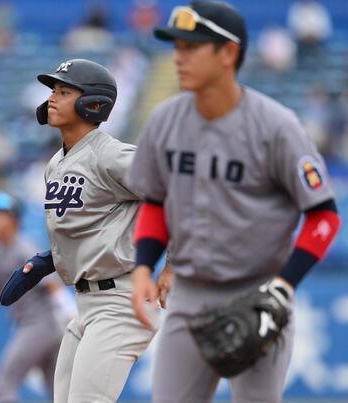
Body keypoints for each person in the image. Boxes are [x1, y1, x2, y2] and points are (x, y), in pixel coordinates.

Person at [125, 2, 341, 403]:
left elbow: (324, 216)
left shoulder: (276, 126)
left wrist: (284, 284)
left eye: (192, 47)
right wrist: (142, 267)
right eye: (177, 47)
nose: (179, 56)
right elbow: (155, 201)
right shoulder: (164, 120)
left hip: (256, 294)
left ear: (228, 53)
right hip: (187, 293)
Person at [0, 58, 160, 403]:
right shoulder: (56, 164)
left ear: (93, 103)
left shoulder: (111, 155)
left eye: (64, 91)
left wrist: (173, 265)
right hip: (85, 304)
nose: (52, 98)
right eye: (53, 91)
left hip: (121, 300)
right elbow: (92, 228)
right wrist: (46, 261)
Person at [0, 191, 66, 403]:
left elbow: (52, 285)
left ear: (14, 219)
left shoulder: (23, 247)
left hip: (40, 325)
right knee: (57, 393)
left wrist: (68, 312)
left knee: (5, 383)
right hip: (42, 326)